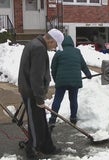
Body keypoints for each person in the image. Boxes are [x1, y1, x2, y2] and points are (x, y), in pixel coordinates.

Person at [18, 28, 64, 158]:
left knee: (40, 120)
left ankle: (47, 146)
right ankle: (32, 150)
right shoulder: (39, 48)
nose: (55, 48)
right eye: (56, 44)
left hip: (31, 90)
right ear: (51, 40)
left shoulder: (35, 44)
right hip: (31, 92)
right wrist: (39, 98)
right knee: (35, 122)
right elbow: (36, 76)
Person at [48, 35, 91, 127]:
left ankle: (52, 119)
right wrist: (88, 74)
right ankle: (73, 118)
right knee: (73, 99)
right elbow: (83, 65)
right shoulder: (77, 52)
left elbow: (53, 68)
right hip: (74, 81)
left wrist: (57, 80)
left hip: (61, 81)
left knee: (57, 100)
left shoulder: (59, 52)